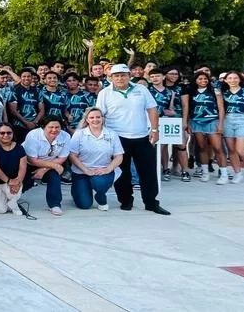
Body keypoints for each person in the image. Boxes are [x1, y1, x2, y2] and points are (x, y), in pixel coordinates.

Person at [95, 64, 170, 215]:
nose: (120, 78)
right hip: (117, 138)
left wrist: (155, 130)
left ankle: (151, 203)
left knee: (148, 172)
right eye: (116, 76)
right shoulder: (104, 93)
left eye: (123, 75)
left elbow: (152, 109)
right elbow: (100, 115)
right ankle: (125, 201)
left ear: (129, 76)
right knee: (122, 173)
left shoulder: (141, 89)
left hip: (142, 136)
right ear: (111, 77)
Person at [67, 108, 125, 210]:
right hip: (82, 171)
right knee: (84, 205)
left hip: (103, 170)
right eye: (92, 117)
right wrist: (86, 170)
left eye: (98, 117)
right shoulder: (79, 134)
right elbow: (72, 155)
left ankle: (101, 197)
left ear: (102, 118)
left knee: (99, 183)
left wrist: (107, 169)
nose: (95, 120)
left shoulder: (112, 134)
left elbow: (119, 156)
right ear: (87, 120)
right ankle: (77, 190)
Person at [22, 118, 69, 216]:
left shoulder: (65, 136)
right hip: (29, 164)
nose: (54, 130)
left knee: (54, 177)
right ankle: (12, 198)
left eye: (57, 127)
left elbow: (62, 157)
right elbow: (32, 159)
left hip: (50, 163)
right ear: (43, 127)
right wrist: (54, 166)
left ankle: (55, 205)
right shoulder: (33, 135)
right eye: (51, 127)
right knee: (26, 183)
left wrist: (44, 169)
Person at [184, 72, 225, 182]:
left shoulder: (215, 91)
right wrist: (188, 123)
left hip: (212, 121)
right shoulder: (191, 92)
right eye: (200, 79)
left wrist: (221, 123)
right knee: (202, 148)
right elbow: (188, 109)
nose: (203, 80)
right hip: (196, 122)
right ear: (195, 80)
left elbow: (221, 108)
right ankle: (205, 172)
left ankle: (224, 173)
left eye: (205, 78)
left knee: (217, 148)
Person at [0, 124, 28, 215]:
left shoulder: (19, 148)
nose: (6, 135)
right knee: (1, 210)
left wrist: (18, 182)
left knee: (13, 195)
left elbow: (22, 167)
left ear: (13, 134)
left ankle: (11, 201)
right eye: (2, 133)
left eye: (9, 133)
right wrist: (9, 181)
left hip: (14, 181)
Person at [8, 69, 41, 142]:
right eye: (24, 76)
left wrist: (35, 122)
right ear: (20, 78)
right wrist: (27, 123)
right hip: (18, 125)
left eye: (29, 76)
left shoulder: (37, 91)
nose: (26, 78)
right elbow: (13, 111)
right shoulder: (14, 90)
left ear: (31, 78)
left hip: (34, 125)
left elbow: (42, 109)